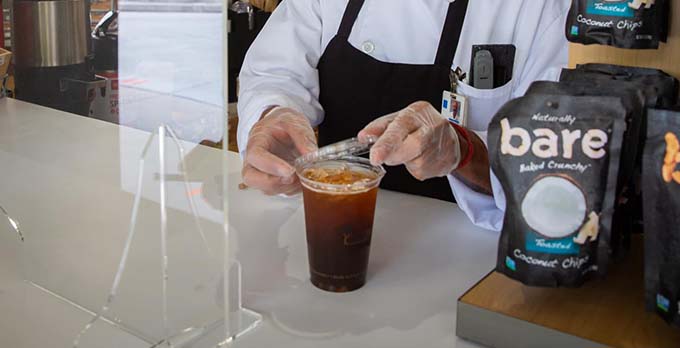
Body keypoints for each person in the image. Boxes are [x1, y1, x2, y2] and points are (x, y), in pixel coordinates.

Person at [237, 0, 571, 231]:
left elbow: (556, 164)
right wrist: (274, 113)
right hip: (328, 228)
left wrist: (465, 151)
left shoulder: (546, 9)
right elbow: (274, 74)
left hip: (467, 260)